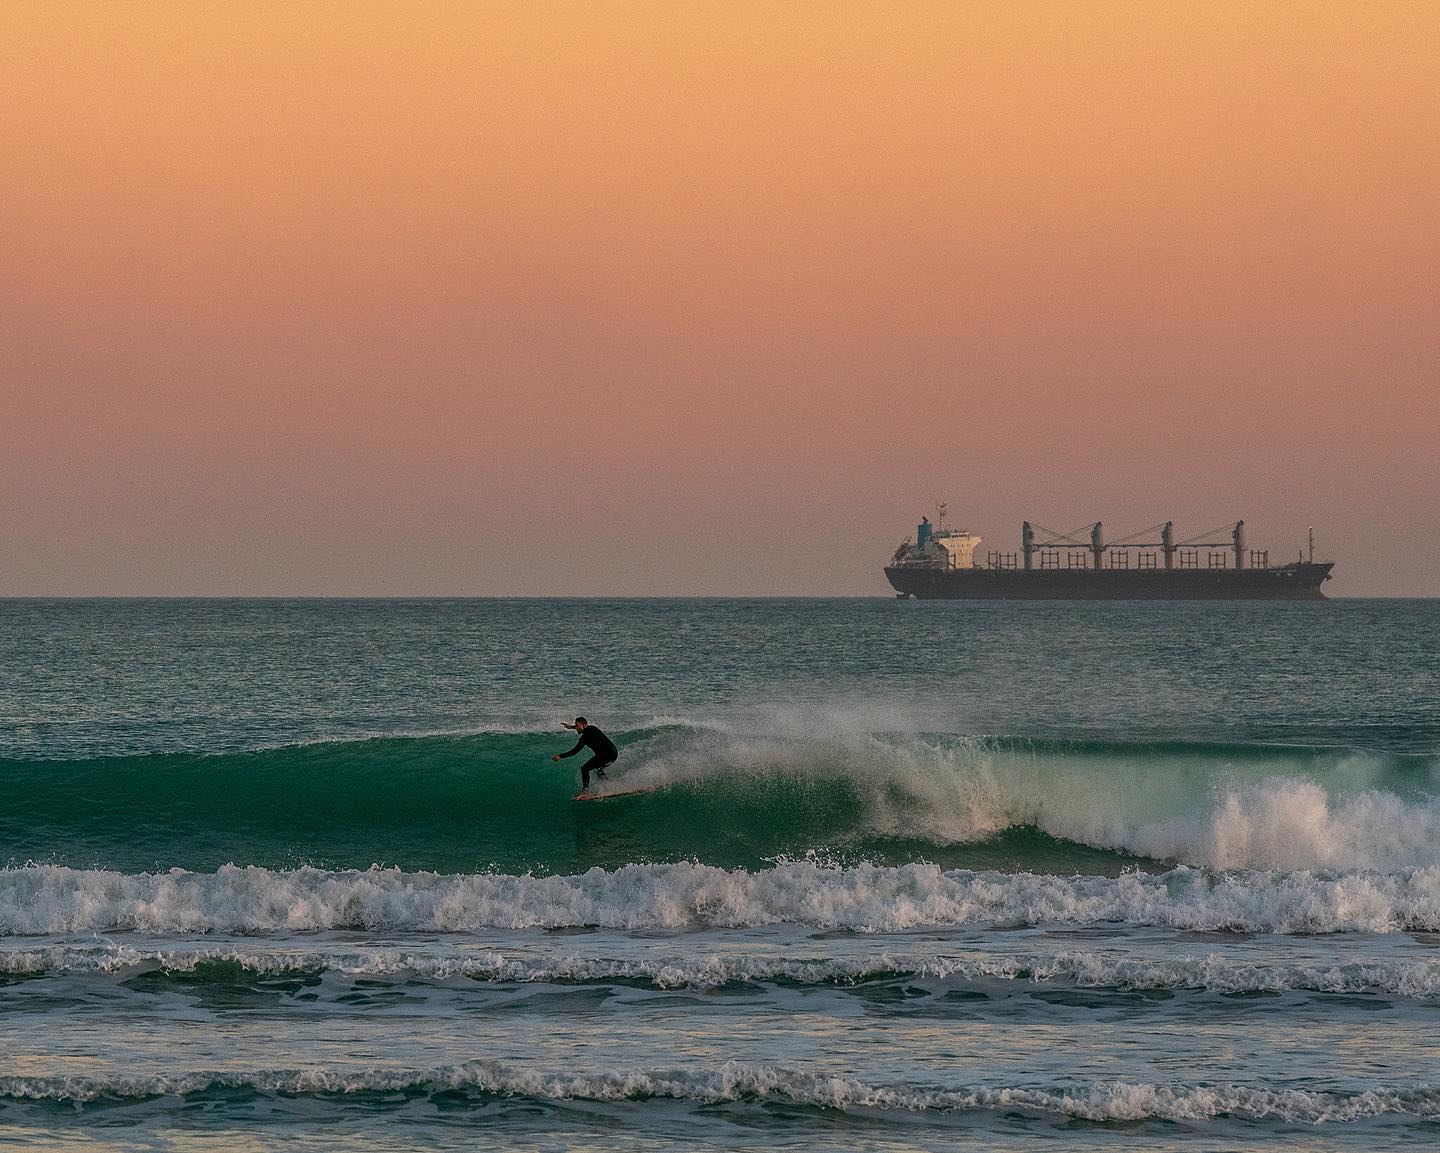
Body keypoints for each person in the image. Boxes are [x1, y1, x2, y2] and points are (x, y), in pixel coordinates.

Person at [552, 717, 618, 791]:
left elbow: (575, 751)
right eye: (575, 726)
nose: (576, 728)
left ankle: (585, 791)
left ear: (583, 725)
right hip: (614, 753)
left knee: (584, 769)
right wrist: (571, 727)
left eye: (577, 726)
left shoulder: (585, 737)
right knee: (598, 769)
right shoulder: (592, 728)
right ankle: (608, 786)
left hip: (605, 755)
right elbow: (583, 728)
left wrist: (560, 756)